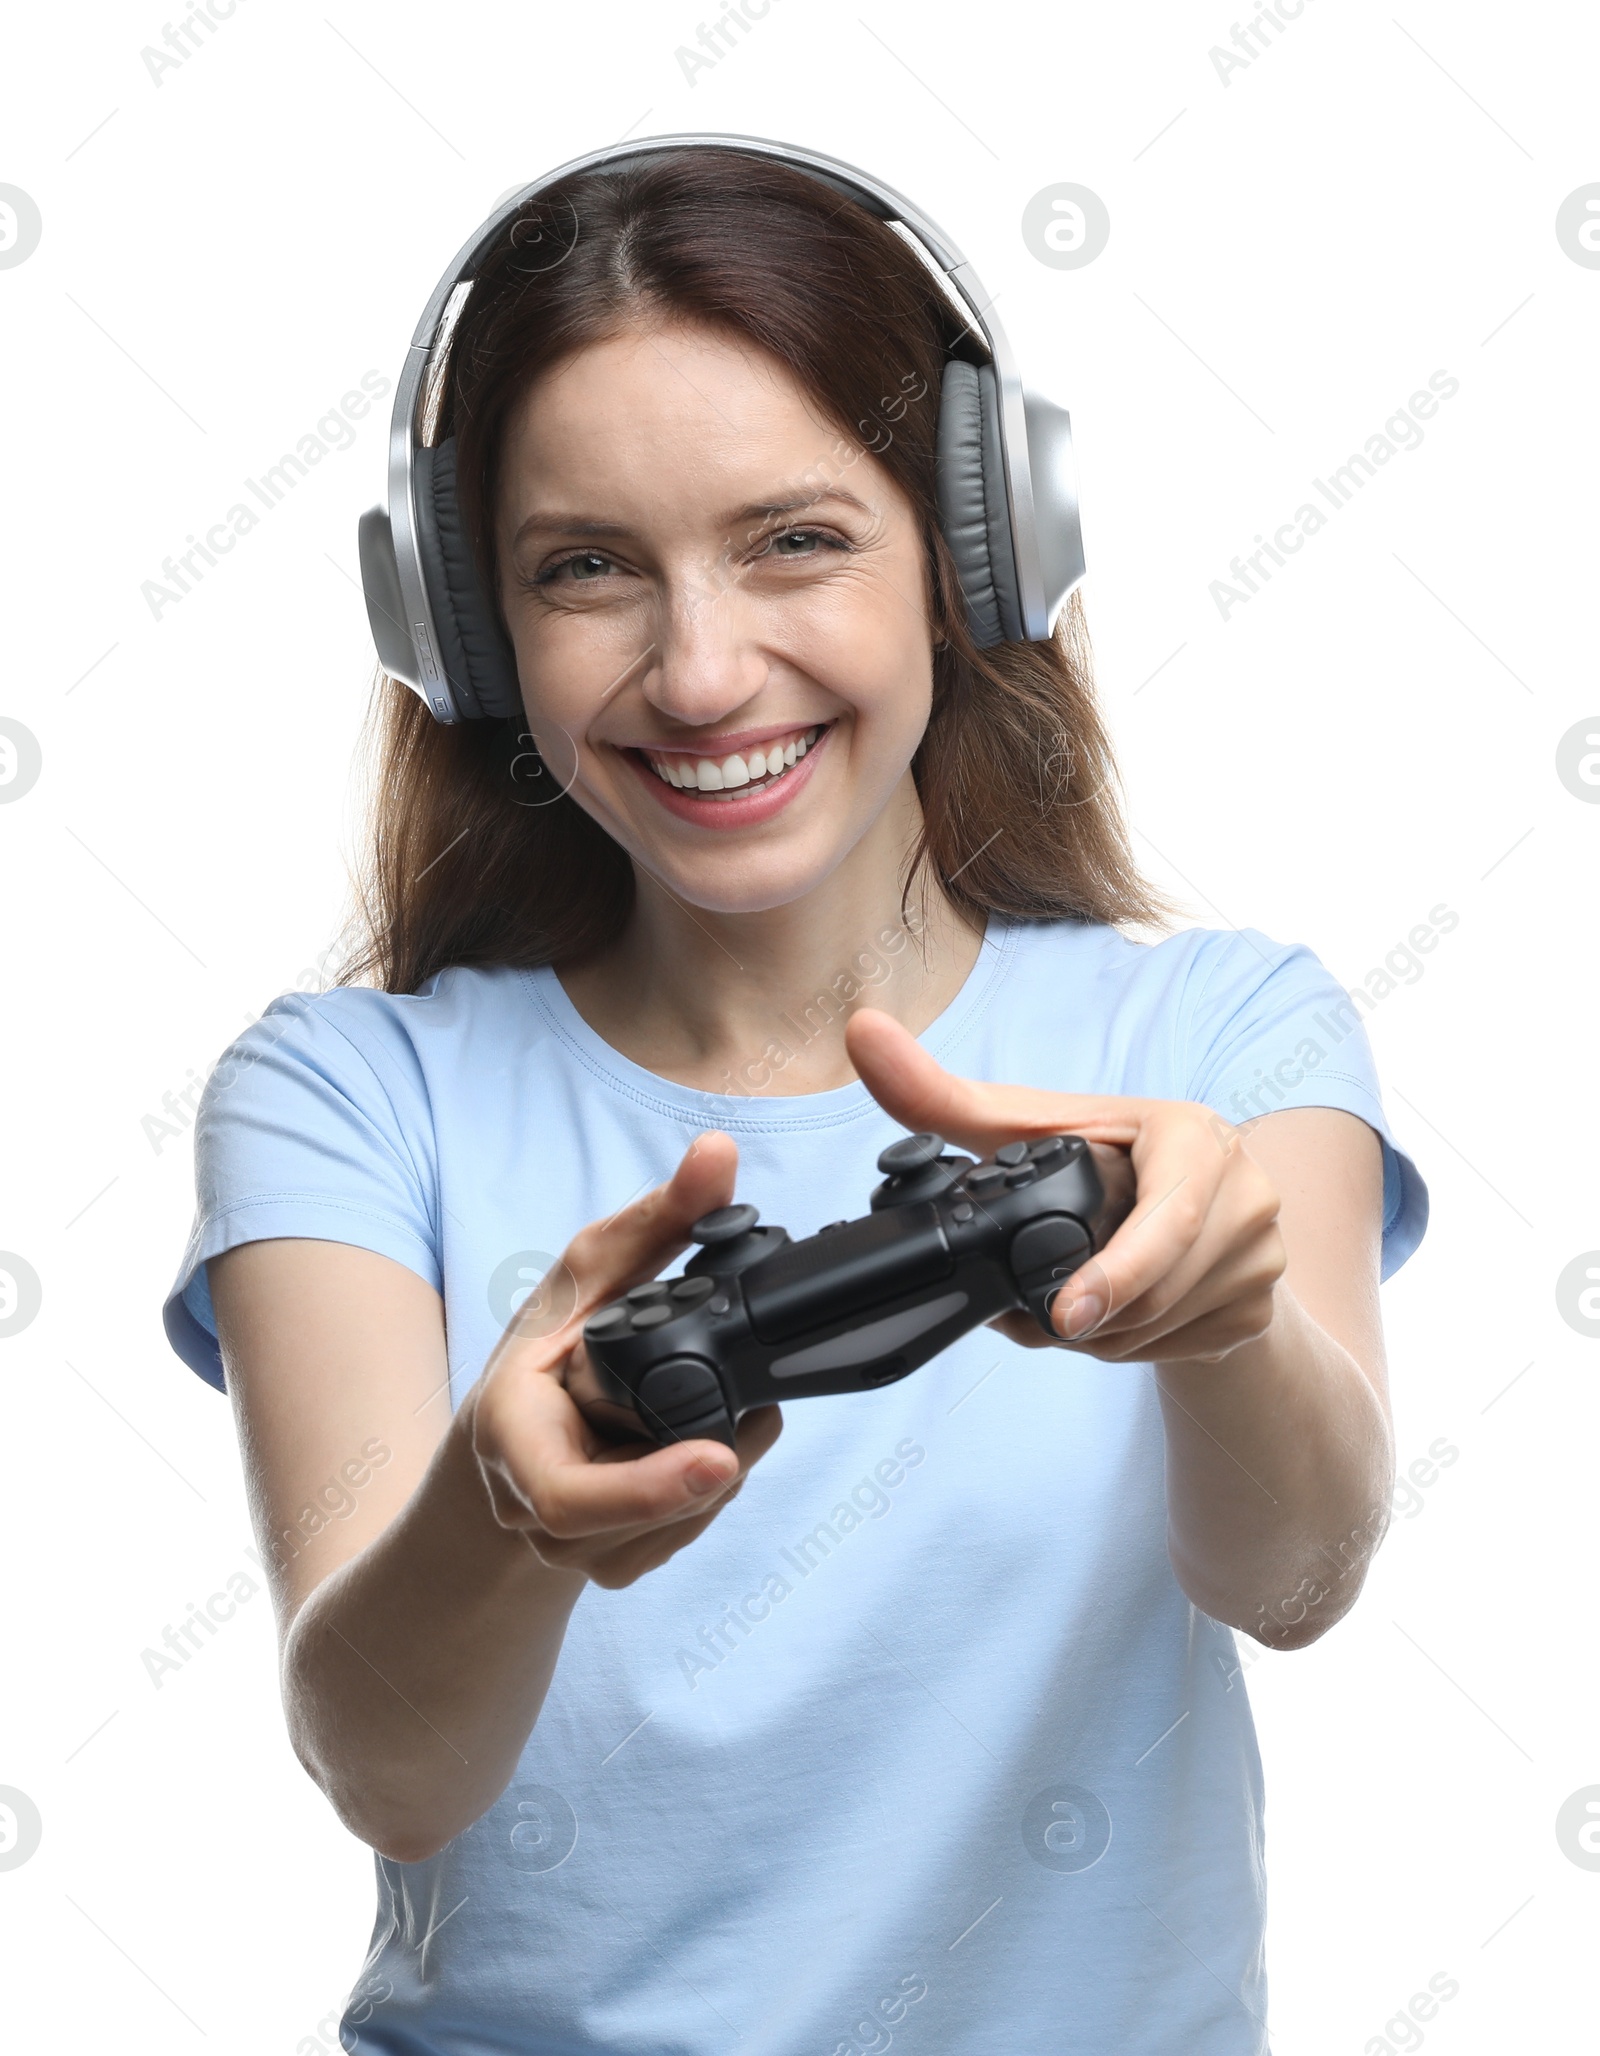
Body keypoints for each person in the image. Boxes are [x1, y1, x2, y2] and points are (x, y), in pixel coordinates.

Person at [162, 142, 1427, 2055]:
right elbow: (386, 1770)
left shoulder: (1219, 1038)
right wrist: (509, 1510)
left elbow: (1296, 1577)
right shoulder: (346, 1100)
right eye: (586, 570)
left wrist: (1221, 1319)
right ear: (470, 633)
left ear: (975, 543)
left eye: (796, 540)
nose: (698, 668)